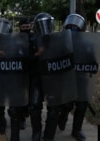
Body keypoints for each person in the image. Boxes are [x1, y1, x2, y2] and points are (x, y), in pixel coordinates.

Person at [33, 12, 78, 141]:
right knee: (34, 107)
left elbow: (67, 56)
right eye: (41, 25)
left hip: (54, 78)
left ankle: (48, 136)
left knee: (54, 109)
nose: (44, 27)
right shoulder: (31, 40)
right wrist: (36, 54)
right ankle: (36, 132)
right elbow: (25, 58)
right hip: (38, 78)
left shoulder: (60, 39)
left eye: (47, 24)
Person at [58, 13, 100, 141]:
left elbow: (92, 60)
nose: (72, 28)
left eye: (75, 25)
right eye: (70, 25)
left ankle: (76, 130)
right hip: (67, 79)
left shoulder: (87, 42)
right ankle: (63, 116)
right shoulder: (62, 41)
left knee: (82, 105)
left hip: (82, 78)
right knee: (67, 105)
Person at [0, 17, 30, 141]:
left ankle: (18, 127)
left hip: (15, 82)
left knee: (15, 110)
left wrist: (9, 55)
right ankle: (1, 122)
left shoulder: (18, 43)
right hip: (0, 83)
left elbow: (24, 58)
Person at [18, 17, 45, 141]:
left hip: (35, 75)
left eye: (28, 26)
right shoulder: (16, 39)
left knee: (35, 105)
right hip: (20, 74)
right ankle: (22, 118)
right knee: (21, 99)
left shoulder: (37, 38)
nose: (26, 29)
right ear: (20, 27)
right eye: (23, 27)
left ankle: (37, 132)